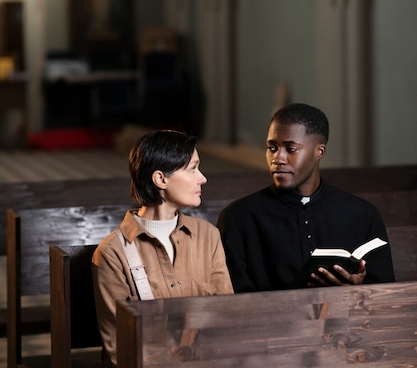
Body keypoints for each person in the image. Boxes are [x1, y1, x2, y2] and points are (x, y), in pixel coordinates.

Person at [217, 103, 395, 293]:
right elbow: (231, 297)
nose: (278, 158)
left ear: (319, 152)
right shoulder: (238, 217)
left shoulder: (363, 215)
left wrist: (355, 289)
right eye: (272, 147)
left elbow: (383, 293)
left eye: (291, 149)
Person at [92, 129, 233, 367]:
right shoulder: (113, 252)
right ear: (161, 179)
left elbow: (226, 316)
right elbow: (119, 346)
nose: (203, 178)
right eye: (192, 168)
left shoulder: (208, 235)